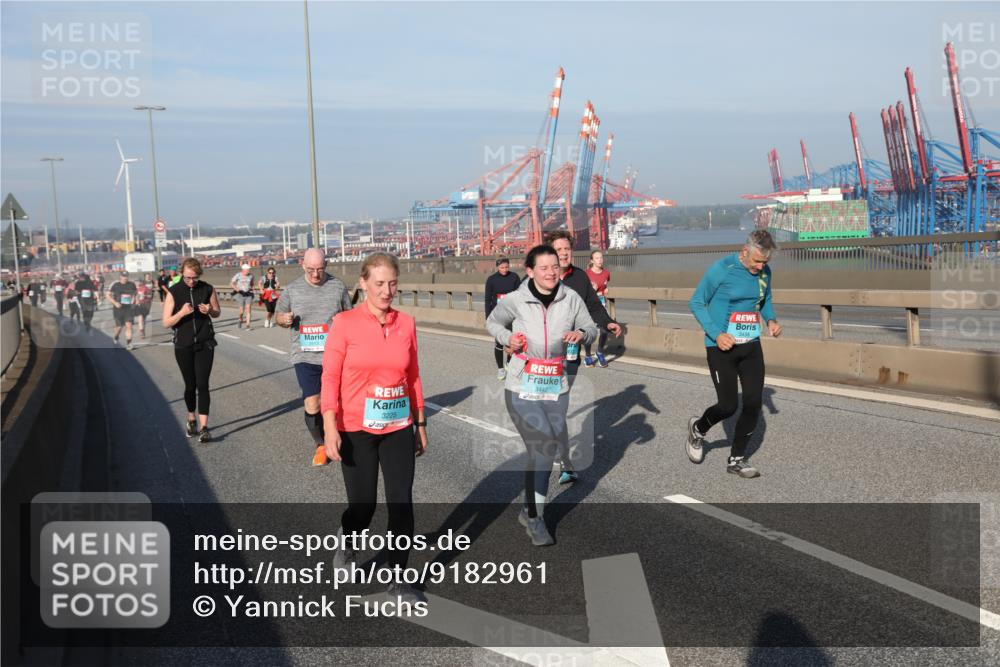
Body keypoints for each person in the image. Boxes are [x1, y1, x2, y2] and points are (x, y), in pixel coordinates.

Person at [321, 252, 427, 601]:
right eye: (379, 283)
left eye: (392, 283)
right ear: (363, 283)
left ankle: (398, 578)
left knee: (401, 503)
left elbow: (412, 376)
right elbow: (331, 376)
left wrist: (420, 422)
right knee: (363, 506)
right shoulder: (345, 323)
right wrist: (330, 425)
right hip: (356, 427)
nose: (386, 291)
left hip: (398, 425)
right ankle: (348, 538)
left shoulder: (406, 323)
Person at [486, 244, 597, 546]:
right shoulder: (517, 299)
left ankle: (528, 509)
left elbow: (590, 326)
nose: (551, 272)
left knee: (540, 451)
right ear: (531, 271)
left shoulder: (571, 297)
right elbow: (492, 321)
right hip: (522, 384)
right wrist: (508, 337)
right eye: (543, 268)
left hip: (555, 384)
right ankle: (536, 519)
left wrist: (582, 334)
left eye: (555, 267)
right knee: (546, 445)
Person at [687, 229, 782, 479]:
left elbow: (765, 300)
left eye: (765, 262)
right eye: (757, 261)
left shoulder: (764, 273)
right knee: (728, 406)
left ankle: (737, 459)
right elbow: (696, 302)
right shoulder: (723, 268)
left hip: (750, 345)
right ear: (744, 252)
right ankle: (698, 429)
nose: (761, 266)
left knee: (753, 404)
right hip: (720, 347)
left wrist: (771, 320)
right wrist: (717, 334)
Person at [543, 230, 622, 483]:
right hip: (544, 355)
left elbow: (593, 305)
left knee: (558, 404)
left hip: (570, 353)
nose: (565, 253)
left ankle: (566, 463)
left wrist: (607, 323)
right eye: (559, 249)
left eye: (567, 249)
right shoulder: (539, 276)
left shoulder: (579, 277)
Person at [274, 249, 352, 467]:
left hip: (334, 354)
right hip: (305, 355)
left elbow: (350, 313)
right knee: (313, 402)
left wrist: (342, 320)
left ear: (326, 265)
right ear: (302, 265)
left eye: (320, 270)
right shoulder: (293, 289)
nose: (315, 275)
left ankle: (337, 437)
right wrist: (284, 319)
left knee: (337, 402)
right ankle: (321, 444)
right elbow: (278, 315)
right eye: (310, 270)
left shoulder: (337, 286)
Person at [163, 258, 221, 443]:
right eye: (188, 278)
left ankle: (204, 428)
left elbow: (217, 312)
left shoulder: (207, 288)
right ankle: (191, 418)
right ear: (182, 273)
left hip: (205, 343)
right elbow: (166, 322)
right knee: (190, 385)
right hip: (183, 344)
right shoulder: (174, 291)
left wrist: (209, 309)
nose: (191, 281)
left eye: (195, 278)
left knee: (203, 384)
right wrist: (181, 313)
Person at [484, 257, 520, 381]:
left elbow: (519, 295)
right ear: (497, 267)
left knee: (513, 341)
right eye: (501, 267)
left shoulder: (514, 277)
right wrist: (488, 317)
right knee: (499, 343)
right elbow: (488, 299)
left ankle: (509, 364)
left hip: (512, 314)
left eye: (506, 267)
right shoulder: (491, 280)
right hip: (498, 315)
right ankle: (500, 368)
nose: (504, 270)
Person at [584, 250, 612, 368]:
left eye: (601, 258)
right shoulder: (586, 274)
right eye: (597, 258)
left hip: (601, 304)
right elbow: (582, 291)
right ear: (592, 261)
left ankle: (599, 352)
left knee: (604, 330)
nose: (600, 260)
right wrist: (592, 290)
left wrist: (605, 290)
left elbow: (605, 286)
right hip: (589, 305)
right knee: (590, 331)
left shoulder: (606, 273)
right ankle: (587, 356)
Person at [107, 271, 138, 349]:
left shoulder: (132, 284)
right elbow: (108, 295)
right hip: (118, 308)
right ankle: (116, 336)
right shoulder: (115, 284)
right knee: (119, 327)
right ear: (120, 276)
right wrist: (115, 303)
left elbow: (135, 294)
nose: (125, 278)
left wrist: (135, 301)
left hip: (128, 308)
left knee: (129, 326)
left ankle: (129, 343)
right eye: (124, 276)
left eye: (126, 276)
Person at [230, 263, 256, 329]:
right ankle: (240, 318)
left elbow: (252, 284)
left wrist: (254, 290)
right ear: (243, 270)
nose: (248, 271)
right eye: (247, 270)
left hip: (248, 293)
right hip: (240, 294)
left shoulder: (251, 276)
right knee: (241, 311)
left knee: (248, 308)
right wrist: (237, 289)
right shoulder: (238, 275)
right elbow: (231, 283)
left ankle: (248, 325)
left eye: (249, 270)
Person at [134, 273, 154, 339]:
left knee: (143, 319)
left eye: (138, 281)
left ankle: (143, 330)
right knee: (140, 317)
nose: (137, 283)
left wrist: (144, 296)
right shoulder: (135, 289)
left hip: (146, 304)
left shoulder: (145, 288)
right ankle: (141, 332)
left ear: (141, 282)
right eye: (136, 282)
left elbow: (150, 295)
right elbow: (133, 296)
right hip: (139, 305)